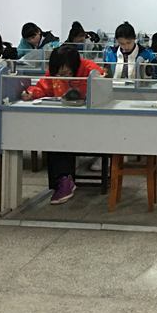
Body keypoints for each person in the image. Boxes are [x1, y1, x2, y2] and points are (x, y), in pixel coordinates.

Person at [20, 45, 103, 205]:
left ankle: (64, 181)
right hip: (63, 120)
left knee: (61, 138)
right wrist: (31, 93)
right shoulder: (55, 72)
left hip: (88, 121)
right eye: (58, 73)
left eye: (65, 73)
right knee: (54, 137)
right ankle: (62, 181)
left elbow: (102, 90)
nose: (61, 76)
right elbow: (43, 87)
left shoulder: (90, 70)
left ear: (74, 65)